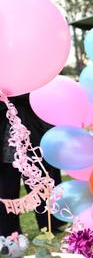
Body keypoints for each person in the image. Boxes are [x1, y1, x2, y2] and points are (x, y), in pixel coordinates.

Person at [0, 94, 66, 236]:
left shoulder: (30, 82)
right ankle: (8, 231)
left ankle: (49, 223)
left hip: (32, 136)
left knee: (40, 183)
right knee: (7, 189)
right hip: (6, 141)